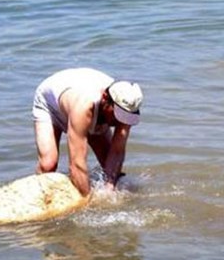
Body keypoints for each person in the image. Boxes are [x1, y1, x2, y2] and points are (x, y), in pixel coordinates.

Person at [32, 68, 143, 197]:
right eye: (117, 114)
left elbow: (117, 151)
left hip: (87, 103)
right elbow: (76, 163)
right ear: (105, 98)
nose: (120, 120)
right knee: (48, 164)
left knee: (111, 170)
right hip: (49, 103)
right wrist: (88, 203)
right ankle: (37, 196)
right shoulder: (84, 107)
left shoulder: (128, 103)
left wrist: (110, 186)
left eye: (125, 116)